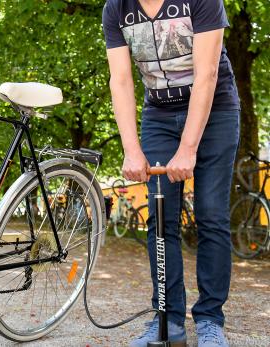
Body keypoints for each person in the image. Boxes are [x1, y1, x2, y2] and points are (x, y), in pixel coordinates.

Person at [102, 1, 240, 346]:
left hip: (216, 109)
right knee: (161, 219)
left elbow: (207, 73)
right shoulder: (116, 9)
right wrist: (132, 150)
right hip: (160, 115)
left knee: (211, 214)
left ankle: (210, 319)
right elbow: (120, 80)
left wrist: (188, 149)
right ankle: (167, 318)